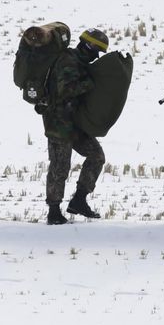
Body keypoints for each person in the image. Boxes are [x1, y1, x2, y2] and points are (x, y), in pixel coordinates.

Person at [39, 28, 108, 225]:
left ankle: (79, 200)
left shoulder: (79, 62)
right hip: (58, 123)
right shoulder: (68, 61)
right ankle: (54, 211)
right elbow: (66, 90)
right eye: (96, 51)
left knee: (97, 156)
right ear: (89, 46)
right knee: (60, 167)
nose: (96, 56)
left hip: (76, 123)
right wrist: (89, 83)